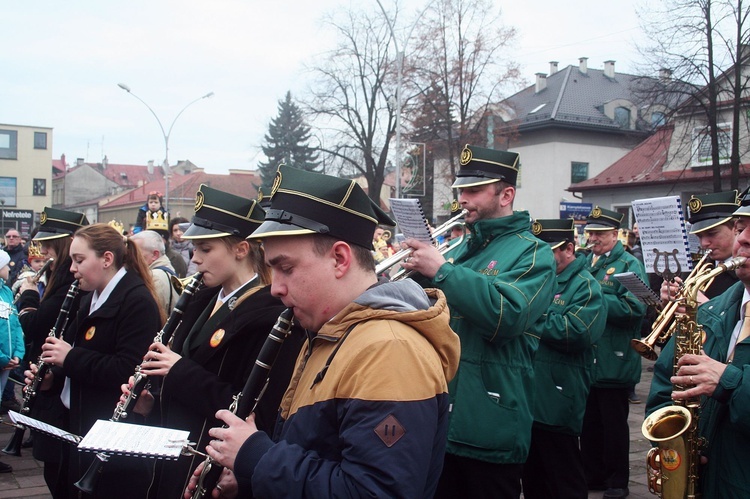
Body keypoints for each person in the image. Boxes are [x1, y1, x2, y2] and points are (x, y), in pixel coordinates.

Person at [185, 165, 461, 498]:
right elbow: (315, 449)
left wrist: (257, 456)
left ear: (340, 259)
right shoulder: (330, 330)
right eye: (272, 269)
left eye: (286, 268)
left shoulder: (389, 350)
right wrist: (249, 477)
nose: (275, 288)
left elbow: (377, 492)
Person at [122, 184, 305, 499]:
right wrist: (151, 403)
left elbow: (254, 409)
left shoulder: (271, 314)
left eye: (206, 250)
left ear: (241, 249)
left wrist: (178, 371)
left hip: (212, 466)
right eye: (194, 250)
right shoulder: (201, 299)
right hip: (174, 455)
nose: (195, 260)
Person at [398, 144, 556, 498]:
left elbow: (508, 316)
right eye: (460, 191)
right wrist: (416, 276)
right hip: (442, 414)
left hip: (490, 420)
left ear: (506, 194)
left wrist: (440, 271)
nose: (462, 199)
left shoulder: (534, 253)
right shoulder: (462, 249)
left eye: (473, 191)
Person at [38, 223, 162, 498]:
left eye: (79, 260)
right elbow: (77, 363)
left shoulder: (136, 301)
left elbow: (127, 369)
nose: (72, 268)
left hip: (111, 436)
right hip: (79, 424)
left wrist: (69, 357)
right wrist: (52, 379)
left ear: (107, 259)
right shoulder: (89, 298)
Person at [646, 196, 750, 498]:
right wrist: (671, 446)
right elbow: (666, 385)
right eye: (740, 227)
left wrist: (729, 382)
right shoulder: (708, 312)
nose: (743, 239)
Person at [521, 219, 606, 499]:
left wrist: (528, 318)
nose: (542, 257)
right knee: (533, 477)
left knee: (563, 476)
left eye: (550, 251)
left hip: (559, 396)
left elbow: (578, 331)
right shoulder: (539, 278)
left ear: (569, 249)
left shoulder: (586, 286)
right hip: (530, 394)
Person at [15, 207, 90, 496]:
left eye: (49, 246)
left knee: (58, 474)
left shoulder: (68, 285)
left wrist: (29, 295)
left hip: (58, 391)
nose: (44, 252)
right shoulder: (61, 282)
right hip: (49, 383)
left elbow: (33, 325)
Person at [580, 206, 647, 499]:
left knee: (614, 426)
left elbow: (637, 308)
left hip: (614, 356)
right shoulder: (586, 261)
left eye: (599, 233)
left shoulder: (628, 263)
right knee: (589, 423)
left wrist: (597, 298)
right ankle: (593, 475)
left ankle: (618, 480)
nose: (593, 238)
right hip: (589, 358)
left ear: (614, 234)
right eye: (590, 232)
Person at [0, 249, 25, 474]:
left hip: (6, 364)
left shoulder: (6, 292)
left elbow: (15, 324)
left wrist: (18, 352)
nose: (9, 269)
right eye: (6, 265)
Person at [129, 229, 179, 319]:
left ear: (155, 255)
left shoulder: (154, 278)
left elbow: (148, 318)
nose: (132, 257)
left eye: (136, 253)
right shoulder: (165, 270)